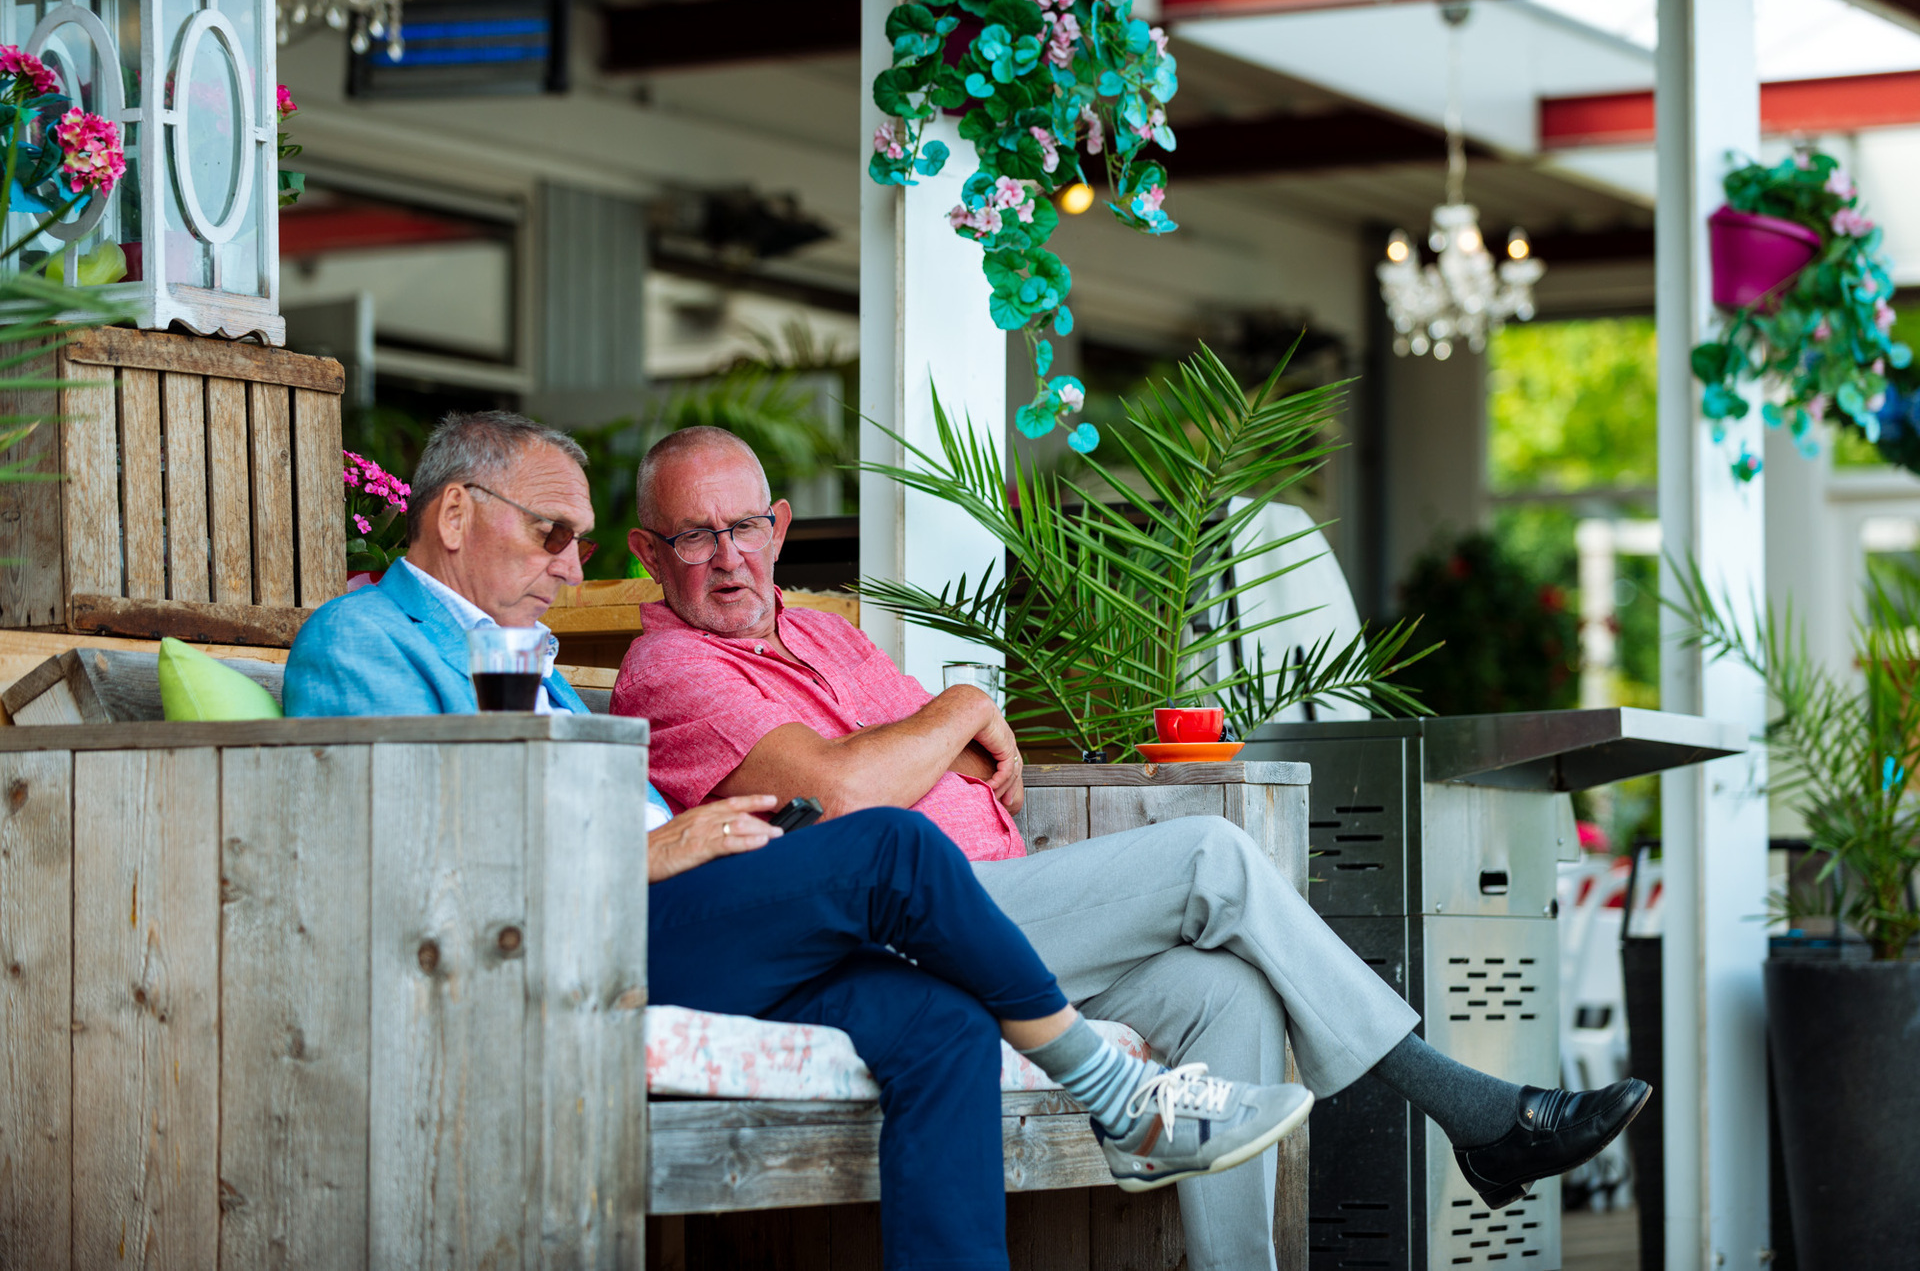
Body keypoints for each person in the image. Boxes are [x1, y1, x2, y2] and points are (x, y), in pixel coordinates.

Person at [284, 411, 1316, 1271]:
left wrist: (704, 836)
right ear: (455, 513)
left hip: (674, 911)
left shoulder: (523, 656)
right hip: (578, 932)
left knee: (943, 1020)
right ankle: (1115, 1094)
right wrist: (660, 845)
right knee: (896, 850)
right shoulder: (362, 641)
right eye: (553, 532)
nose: (570, 564)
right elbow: (417, 855)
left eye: (581, 541)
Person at [614, 425, 1651, 1271]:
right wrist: (961, 707)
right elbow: (849, 797)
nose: (726, 556)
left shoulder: (831, 635)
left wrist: (920, 751)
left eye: (743, 524)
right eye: (694, 536)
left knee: (1224, 994)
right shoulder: (673, 669)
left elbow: (953, 771)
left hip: (1004, 912)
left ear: (779, 525)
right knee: (1210, 855)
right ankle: (1473, 1109)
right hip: (908, 920)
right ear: (649, 554)